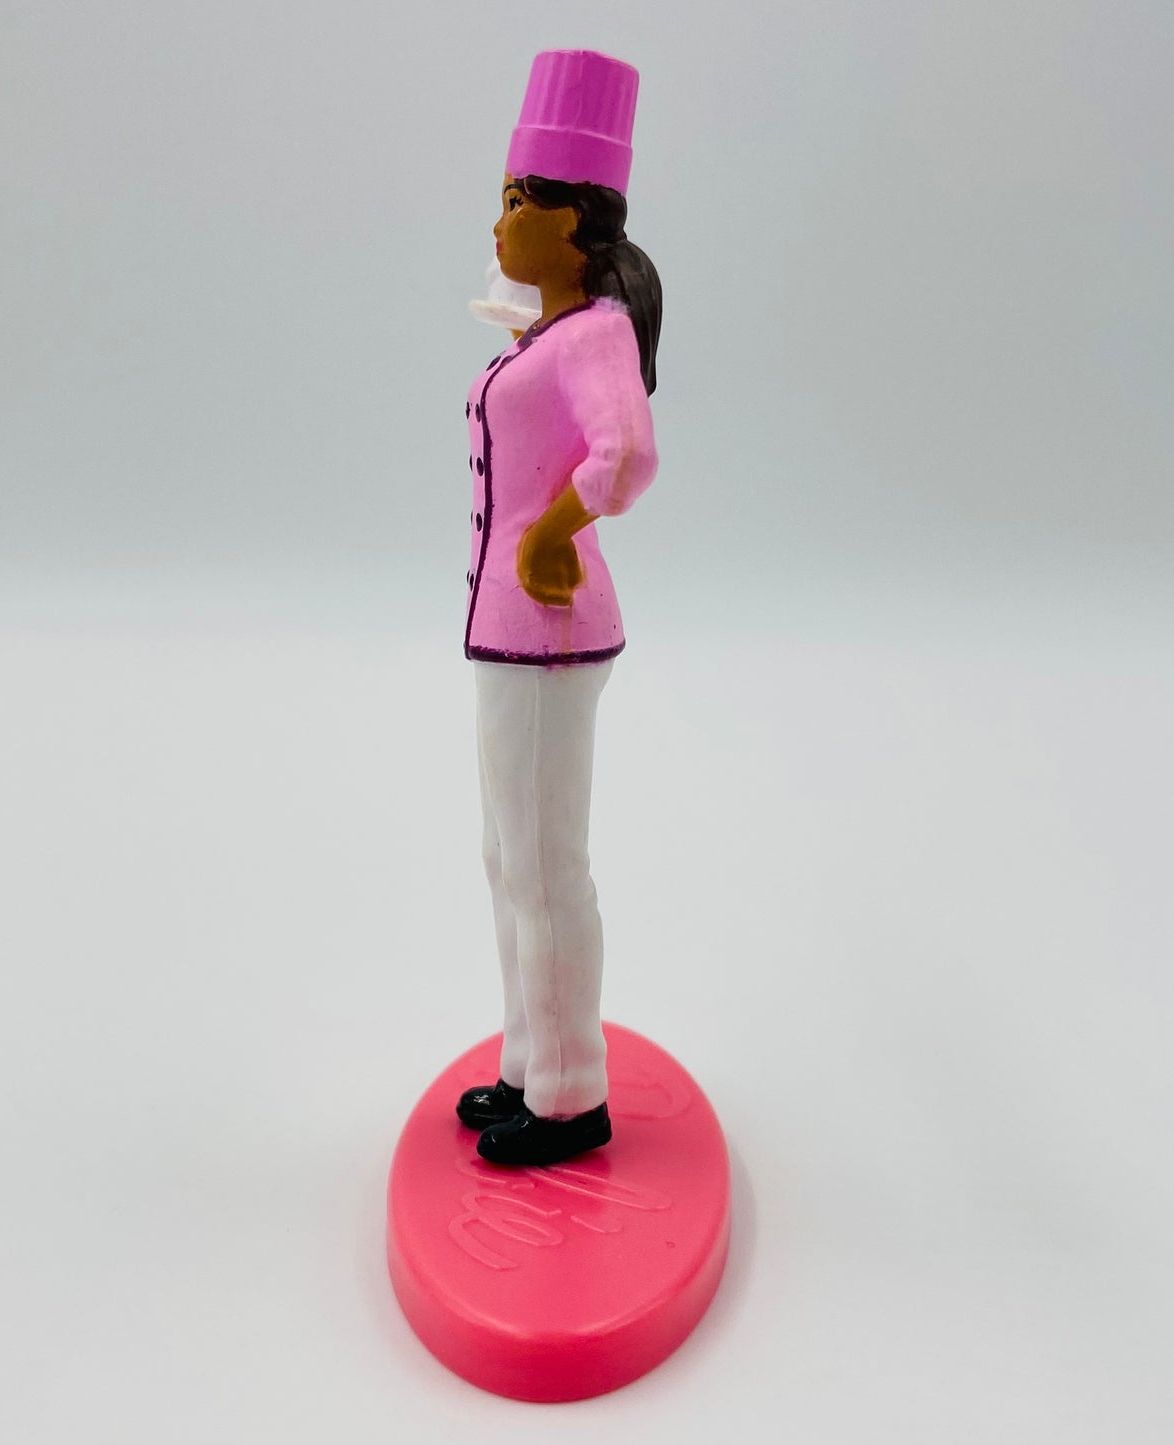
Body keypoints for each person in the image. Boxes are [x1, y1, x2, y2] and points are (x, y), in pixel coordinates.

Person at [455, 50, 662, 1166]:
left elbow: (624, 454)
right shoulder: (547, 334)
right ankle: (528, 1059)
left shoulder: (594, 335)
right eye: (500, 198)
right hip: (509, 630)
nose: (500, 223)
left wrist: (549, 531)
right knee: (508, 856)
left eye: (518, 202)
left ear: (575, 222)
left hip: (548, 630)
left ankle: (572, 1093)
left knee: (544, 865)